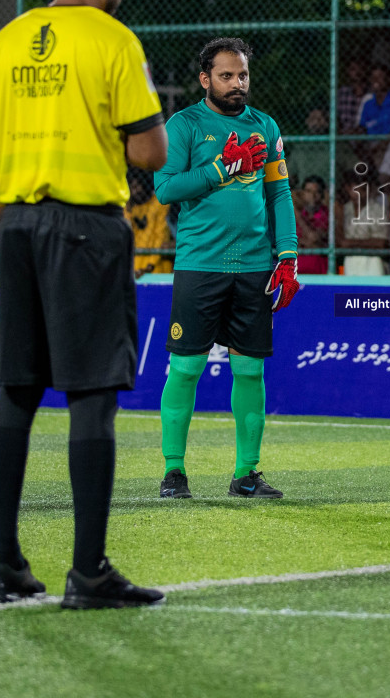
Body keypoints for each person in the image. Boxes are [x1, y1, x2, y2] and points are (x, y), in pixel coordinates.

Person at [0, 0, 168, 610]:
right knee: (92, 394)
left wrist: (12, 227)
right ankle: (88, 573)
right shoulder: (115, 40)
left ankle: (4, 568)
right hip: (86, 227)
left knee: (17, 391)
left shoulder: (1, 45)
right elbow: (150, 152)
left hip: (18, 227)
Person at [153, 37, 299, 502]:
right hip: (200, 264)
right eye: (226, 76)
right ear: (205, 79)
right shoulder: (184, 125)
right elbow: (165, 189)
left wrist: (289, 256)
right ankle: (174, 472)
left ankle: (246, 474)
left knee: (251, 372)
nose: (238, 84)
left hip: (255, 267)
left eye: (243, 75)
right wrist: (222, 168)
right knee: (187, 367)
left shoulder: (265, 125)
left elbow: (278, 194)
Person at [125, 171, 173, 276]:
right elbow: (126, 234)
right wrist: (128, 210)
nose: (135, 191)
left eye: (137, 186)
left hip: (156, 265)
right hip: (134, 264)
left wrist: (149, 266)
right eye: (132, 187)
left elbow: (160, 235)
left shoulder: (159, 203)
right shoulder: (129, 208)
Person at [293, 174, 330, 275]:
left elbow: (313, 237)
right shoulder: (297, 215)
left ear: (322, 195)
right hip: (296, 271)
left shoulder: (326, 214)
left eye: (317, 192)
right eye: (308, 191)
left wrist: (298, 215)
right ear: (303, 194)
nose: (312, 196)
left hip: (318, 271)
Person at [358, 64, 390, 136]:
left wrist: (382, 145)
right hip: (368, 141)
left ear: (388, 79)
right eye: (373, 77)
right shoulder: (367, 99)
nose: (375, 79)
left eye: (380, 76)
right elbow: (361, 125)